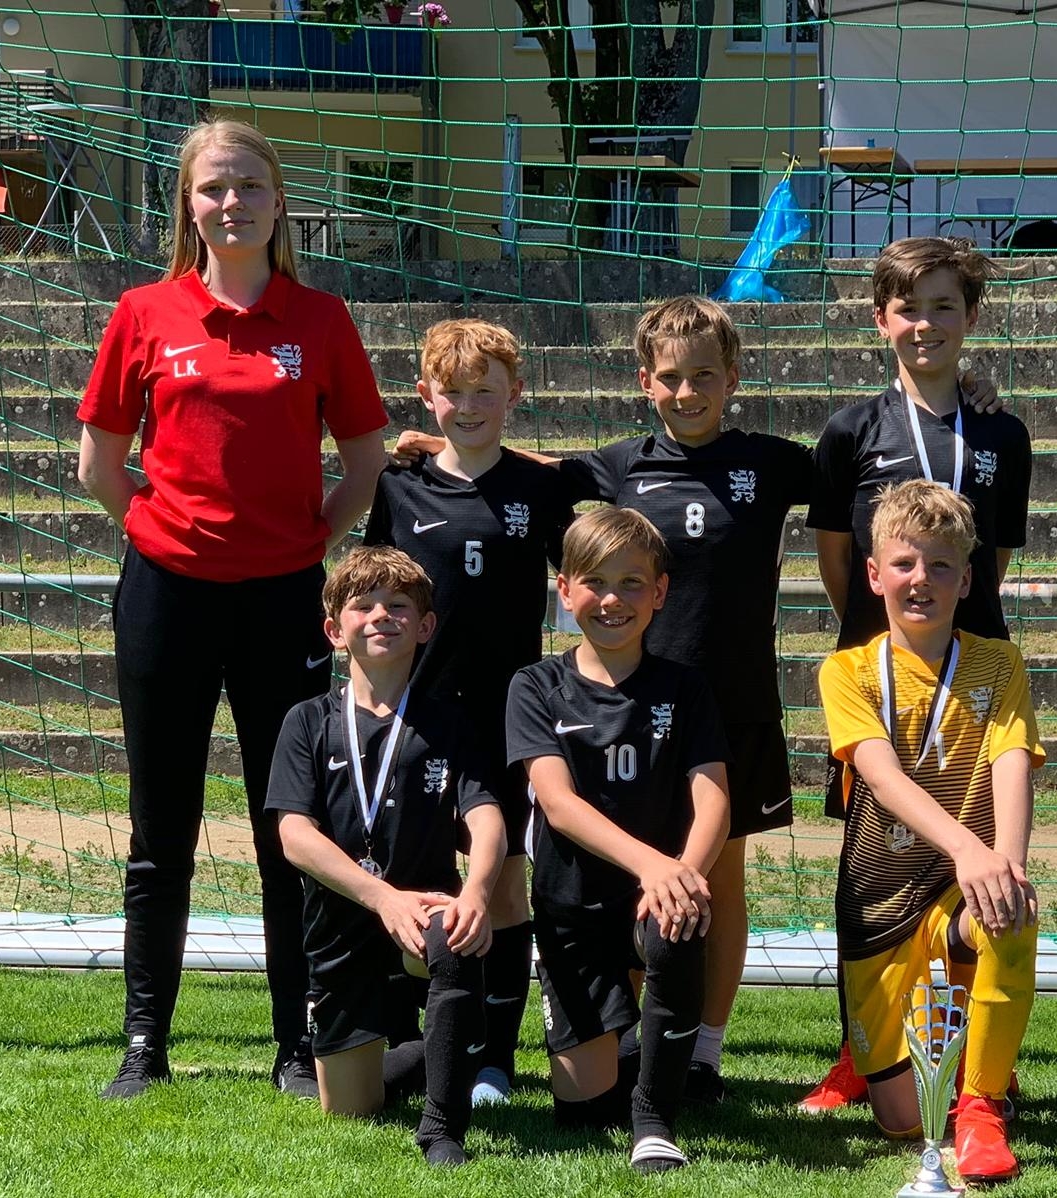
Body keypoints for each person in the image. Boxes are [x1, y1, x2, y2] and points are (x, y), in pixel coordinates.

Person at [393, 296, 812, 1100]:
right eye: (670, 377)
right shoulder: (621, 464)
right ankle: (630, 1048)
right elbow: (528, 473)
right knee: (626, 877)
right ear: (644, 381)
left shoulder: (775, 461)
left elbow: (863, 481)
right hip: (629, 704)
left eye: (704, 376)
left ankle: (702, 1054)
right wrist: (439, 444)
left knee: (719, 881)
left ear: (733, 377)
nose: (687, 392)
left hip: (735, 705)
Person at [76, 118, 388, 1100]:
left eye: (249, 184)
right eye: (213, 187)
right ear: (189, 203)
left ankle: (298, 1045)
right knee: (159, 828)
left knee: (285, 825)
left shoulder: (321, 320)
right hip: (166, 599)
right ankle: (144, 1045)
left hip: (283, 602)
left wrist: (303, 544)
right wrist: (166, 536)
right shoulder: (143, 312)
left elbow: (365, 463)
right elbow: (100, 467)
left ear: (279, 199)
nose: (232, 202)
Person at [803, 235, 1032, 1112]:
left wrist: (948, 624)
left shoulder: (1003, 433)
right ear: (880, 318)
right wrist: (888, 639)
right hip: (881, 677)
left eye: (944, 307)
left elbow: (992, 561)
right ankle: (860, 1050)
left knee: (972, 854)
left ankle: (978, 1057)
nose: (925, 323)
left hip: (970, 673)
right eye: (908, 307)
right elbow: (838, 561)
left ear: (970, 317)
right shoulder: (850, 430)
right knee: (872, 860)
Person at [364, 318, 574, 1106]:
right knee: (411, 878)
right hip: (416, 718)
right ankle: (412, 1041)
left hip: (506, 719)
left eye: (486, 391)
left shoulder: (540, 490)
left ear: (514, 394)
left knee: (504, 884)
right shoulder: (398, 486)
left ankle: (492, 1058)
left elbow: (582, 569)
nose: (470, 405)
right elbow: (370, 591)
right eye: (453, 392)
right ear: (428, 394)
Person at [817, 479, 1043, 1184]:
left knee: (1011, 913)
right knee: (903, 1120)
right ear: (874, 574)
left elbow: (1012, 761)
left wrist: (1006, 865)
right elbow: (882, 777)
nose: (922, 580)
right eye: (905, 563)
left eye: (942, 565)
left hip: (956, 889)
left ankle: (982, 1105)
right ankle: (891, 1054)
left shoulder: (999, 662)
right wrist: (971, 848)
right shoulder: (847, 670)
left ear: (967, 579)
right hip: (880, 901)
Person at [505, 507, 731, 1173]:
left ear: (660, 592)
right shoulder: (535, 685)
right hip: (571, 909)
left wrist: (683, 876)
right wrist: (655, 864)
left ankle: (654, 1121)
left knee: (677, 925)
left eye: (632, 583)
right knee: (582, 1112)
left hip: (650, 902)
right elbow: (557, 804)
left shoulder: (684, 687)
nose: (613, 600)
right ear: (565, 589)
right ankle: (639, 1051)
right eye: (596, 582)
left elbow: (715, 799)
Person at [268, 547, 506, 1167]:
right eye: (363, 606)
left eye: (398, 605)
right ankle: (440, 1050)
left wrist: (478, 891)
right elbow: (294, 835)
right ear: (334, 630)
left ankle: (442, 1128)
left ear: (425, 626)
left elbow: (486, 817)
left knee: (454, 938)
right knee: (351, 1109)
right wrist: (381, 898)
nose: (381, 616)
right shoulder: (306, 721)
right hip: (344, 923)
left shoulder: (449, 722)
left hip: (425, 913)